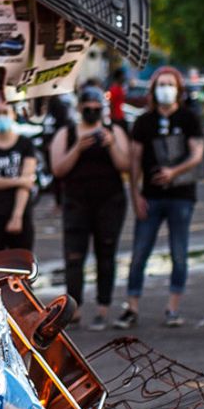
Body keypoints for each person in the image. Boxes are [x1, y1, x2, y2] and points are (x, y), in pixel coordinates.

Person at [115, 65, 204, 328]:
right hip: (151, 196)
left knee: (179, 252)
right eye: (161, 84)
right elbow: (134, 160)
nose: (165, 89)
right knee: (139, 252)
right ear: (154, 90)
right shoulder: (144, 121)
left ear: (178, 89)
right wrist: (135, 194)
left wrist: (174, 172)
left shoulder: (189, 118)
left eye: (170, 84)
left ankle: (173, 307)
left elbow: (197, 154)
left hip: (181, 195)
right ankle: (131, 307)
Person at [49, 84, 130, 329]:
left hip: (109, 202)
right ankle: (74, 308)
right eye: (88, 108)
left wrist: (111, 143)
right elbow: (58, 168)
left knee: (106, 255)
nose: (92, 112)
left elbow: (126, 164)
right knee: (74, 257)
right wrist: (78, 147)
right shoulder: (67, 133)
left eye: (97, 108)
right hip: (77, 203)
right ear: (80, 108)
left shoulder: (114, 131)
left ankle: (103, 307)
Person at [0, 101, 38, 255]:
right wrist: (18, 180)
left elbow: (26, 183)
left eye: (5, 112)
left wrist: (17, 216)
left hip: (20, 215)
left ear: (13, 115)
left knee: (22, 268)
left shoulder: (25, 143)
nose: (1, 117)